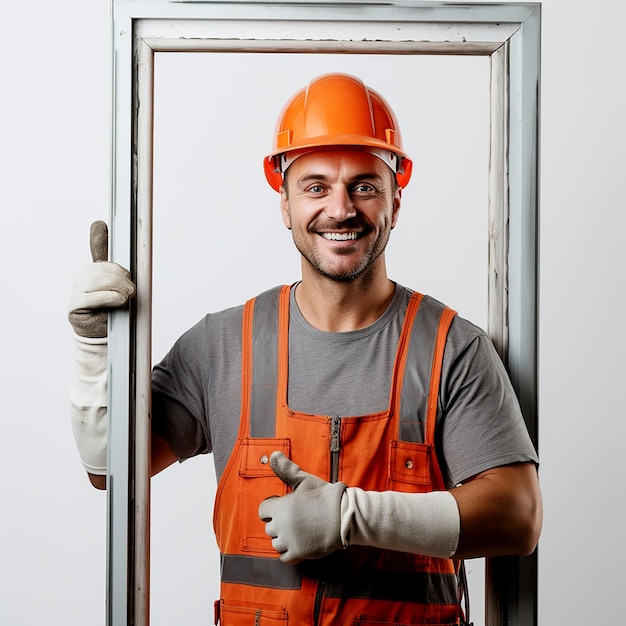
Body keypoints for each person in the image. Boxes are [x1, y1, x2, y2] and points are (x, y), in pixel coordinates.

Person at [69, 73, 542, 625]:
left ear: (395, 199)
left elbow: (518, 517)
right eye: (316, 186)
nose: (341, 209)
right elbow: (109, 467)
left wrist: (352, 516)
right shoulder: (222, 346)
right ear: (285, 202)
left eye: (364, 185)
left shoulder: (451, 349)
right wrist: (93, 350)